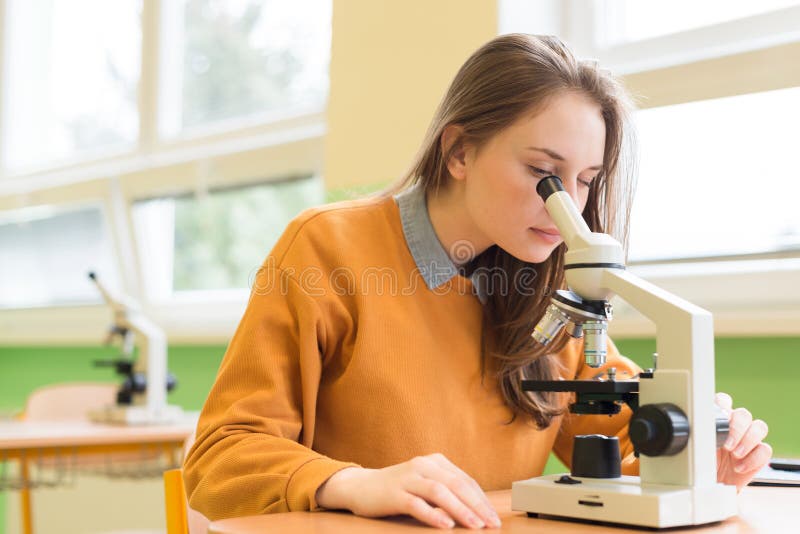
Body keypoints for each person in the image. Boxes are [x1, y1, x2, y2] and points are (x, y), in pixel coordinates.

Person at [183, 34, 771, 530]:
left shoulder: (550, 292)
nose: (569, 203)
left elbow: (619, 453)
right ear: (460, 151)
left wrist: (703, 455)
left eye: (587, 179)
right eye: (544, 172)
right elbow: (219, 460)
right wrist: (353, 483)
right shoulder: (327, 250)